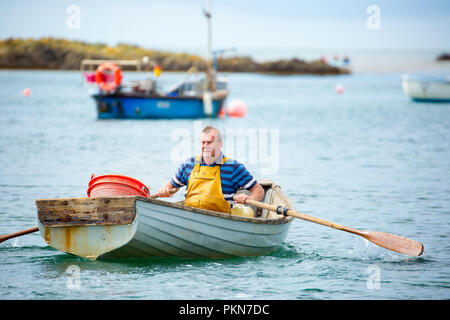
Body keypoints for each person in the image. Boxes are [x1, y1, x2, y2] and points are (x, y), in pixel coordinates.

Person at [157, 126, 264, 213]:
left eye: (210, 142)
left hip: (221, 221)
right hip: (190, 217)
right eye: (203, 142)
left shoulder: (234, 167)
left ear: (220, 144)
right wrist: (165, 189)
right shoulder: (189, 164)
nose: (206, 146)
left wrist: (249, 199)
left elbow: (258, 190)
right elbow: (171, 185)